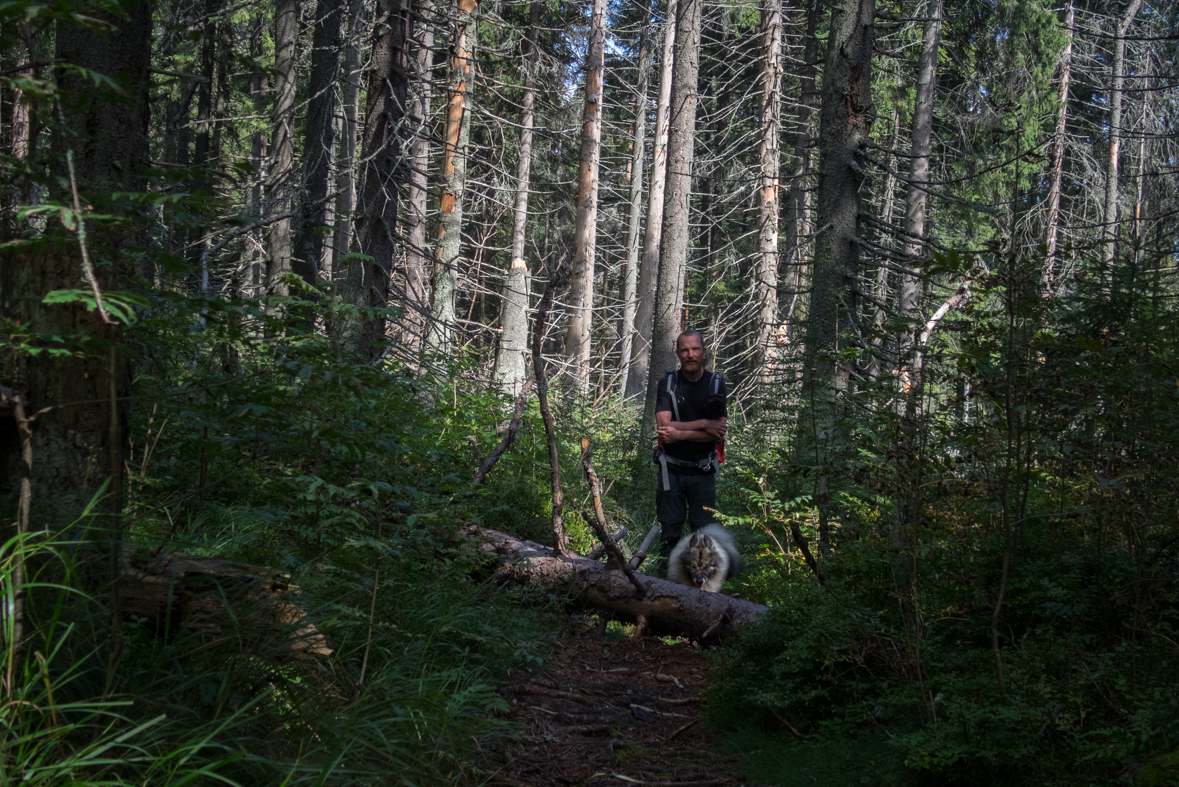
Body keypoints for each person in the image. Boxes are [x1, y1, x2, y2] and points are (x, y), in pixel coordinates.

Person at [654, 329, 727, 556]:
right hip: (671, 470)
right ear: (677, 352)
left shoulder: (716, 383)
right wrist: (705, 423)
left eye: (695, 349)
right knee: (670, 531)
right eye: (684, 350)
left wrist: (681, 432)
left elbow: (718, 433)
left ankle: (701, 585)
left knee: (704, 532)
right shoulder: (667, 384)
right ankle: (664, 580)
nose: (690, 354)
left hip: (703, 472)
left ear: (704, 351)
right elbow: (665, 429)